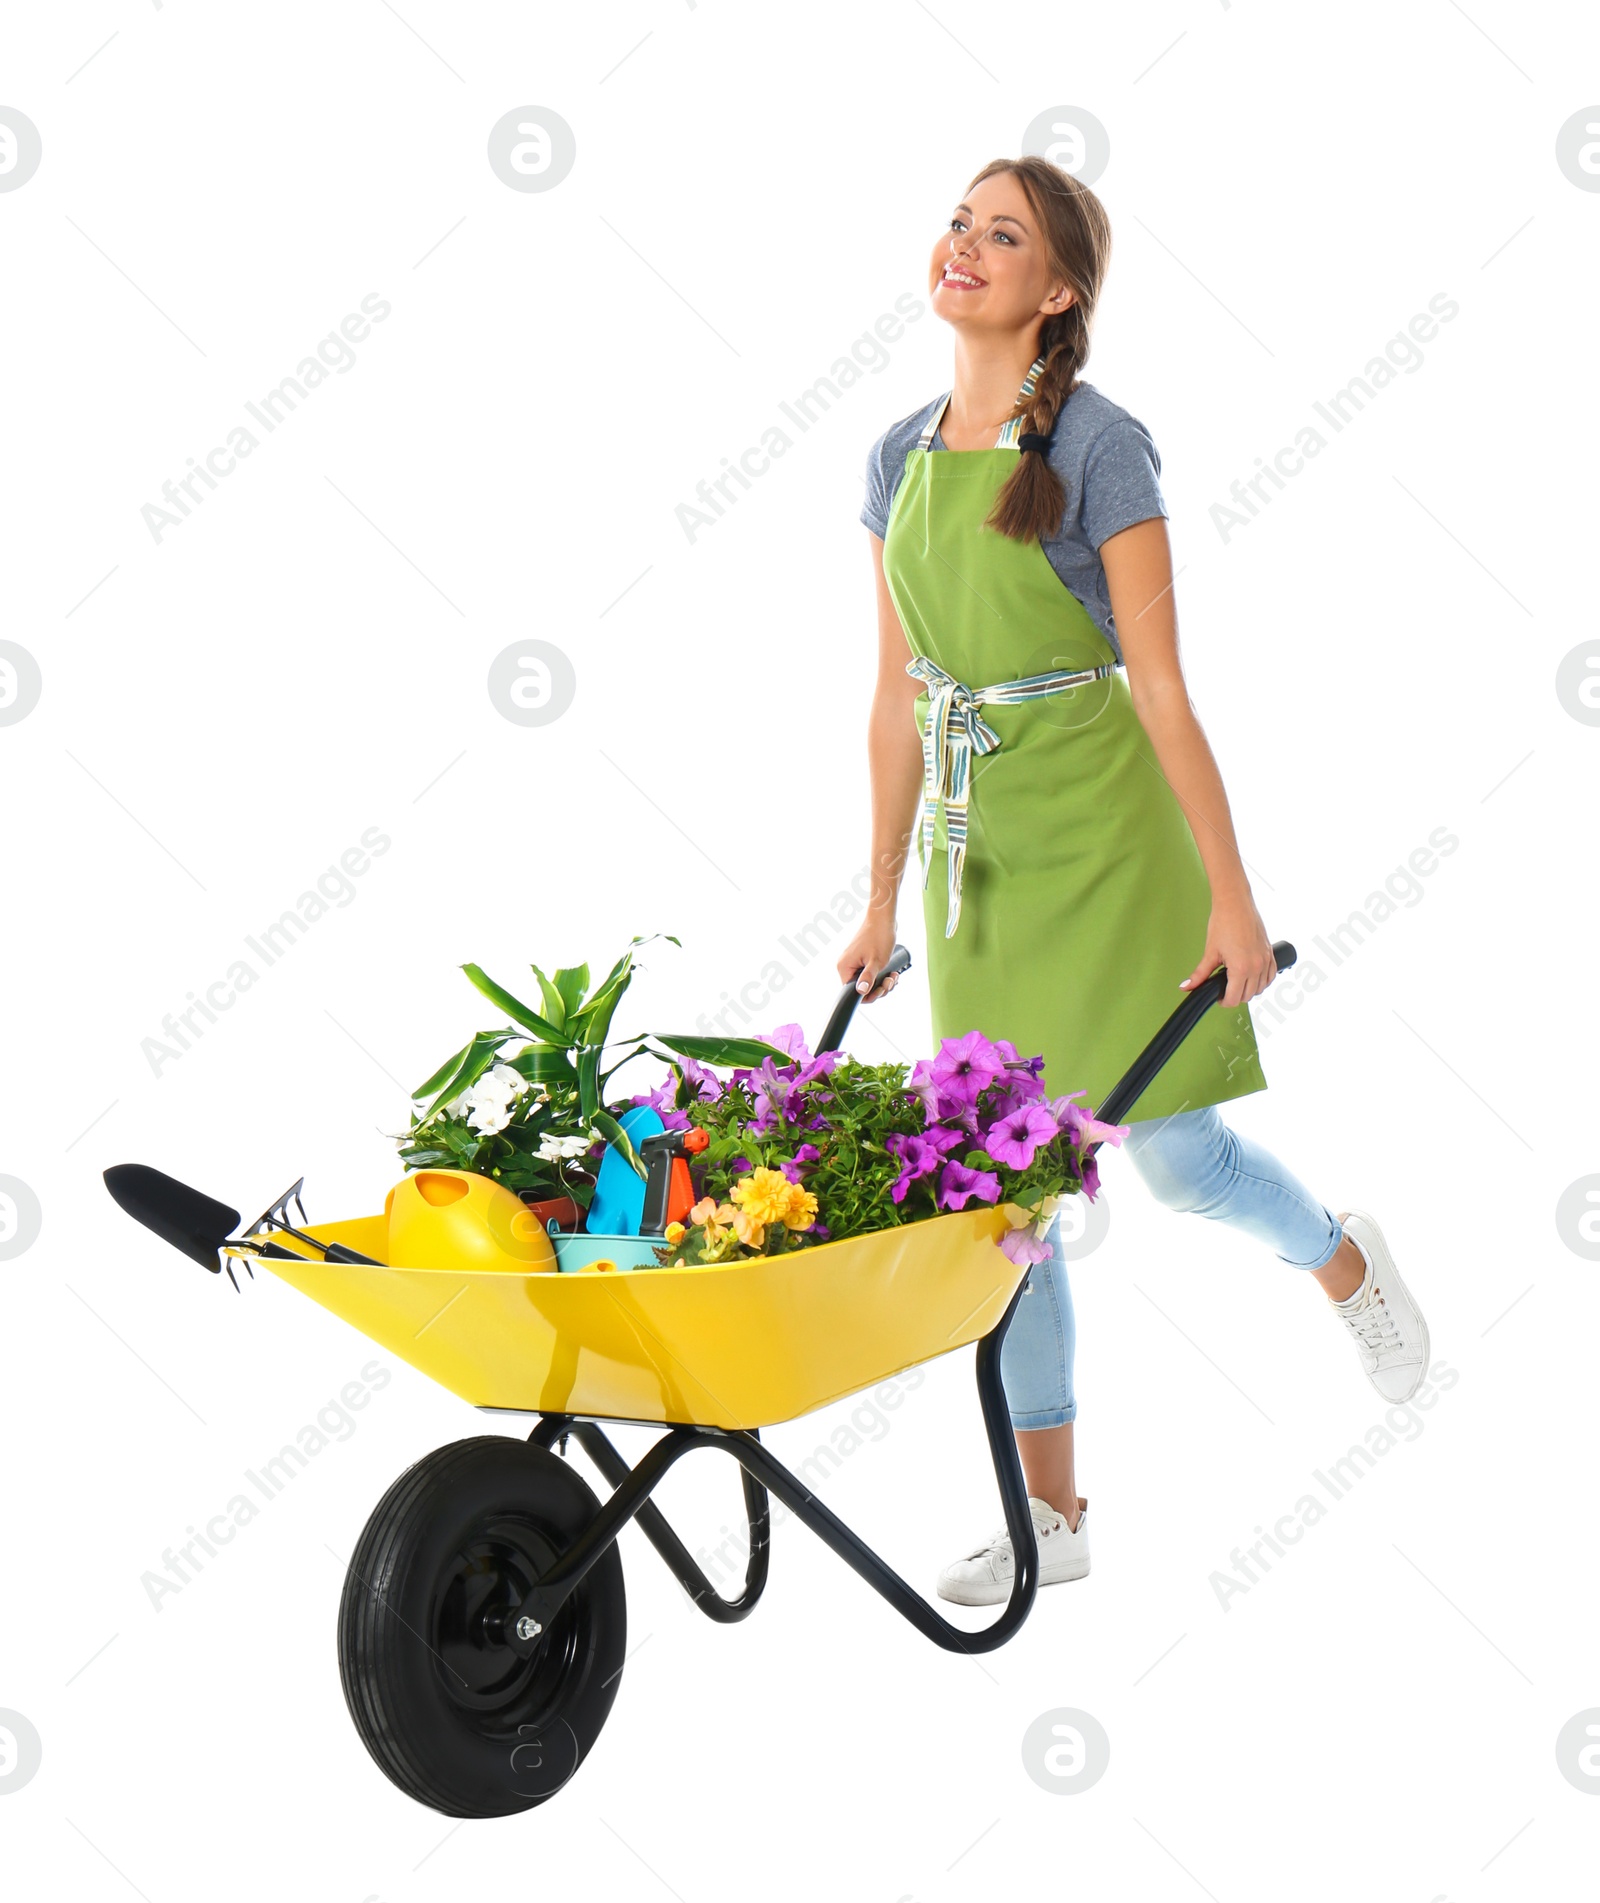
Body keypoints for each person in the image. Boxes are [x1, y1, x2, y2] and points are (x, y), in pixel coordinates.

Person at [837, 154, 1429, 1609]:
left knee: (1178, 1161)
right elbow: (898, 693)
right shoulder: (893, 457)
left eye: (1005, 234)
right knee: (1003, 1202)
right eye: (958, 222)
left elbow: (1163, 691)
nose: (965, 245)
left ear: (1058, 291)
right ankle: (1054, 1518)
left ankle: (1347, 1265)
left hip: (1111, 835)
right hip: (983, 865)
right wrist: (872, 902)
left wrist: (1234, 904)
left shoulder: (1106, 448)